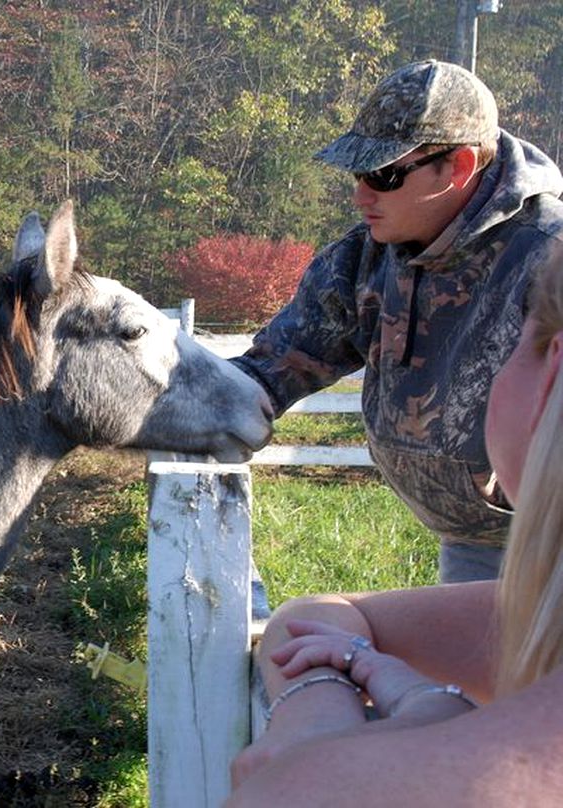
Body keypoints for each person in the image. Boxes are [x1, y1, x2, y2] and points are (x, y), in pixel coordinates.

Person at [226, 254, 563, 804]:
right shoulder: (539, 609)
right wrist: (424, 700)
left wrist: (318, 740)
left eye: (508, 350)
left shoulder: (326, 791)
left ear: (552, 374)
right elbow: (314, 618)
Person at [232, 59, 563, 583]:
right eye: (358, 174)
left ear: (457, 167)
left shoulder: (549, 260)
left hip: (549, 547)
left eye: (384, 175)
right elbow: (270, 369)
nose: (362, 195)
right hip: (468, 539)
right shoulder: (363, 260)